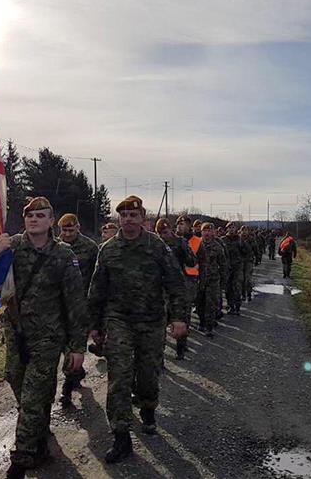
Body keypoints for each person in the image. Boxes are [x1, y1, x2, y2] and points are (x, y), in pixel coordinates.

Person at [0, 197, 87, 479]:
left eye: (40, 215)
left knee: (33, 395)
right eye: (29, 215)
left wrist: (77, 346)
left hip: (48, 338)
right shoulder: (12, 247)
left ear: (51, 221)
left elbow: (75, 302)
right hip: (15, 334)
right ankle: (38, 431)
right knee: (15, 380)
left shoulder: (63, 255)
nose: (33, 219)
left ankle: (21, 460)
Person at [88, 195, 188, 463]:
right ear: (118, 219)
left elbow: (176, 283)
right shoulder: (108, 249)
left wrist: (179, 318)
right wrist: (95, 326)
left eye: (133, 216)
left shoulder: (157, 247)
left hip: (152, 321)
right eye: (123, 216)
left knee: (147, 374)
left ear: (143, 219)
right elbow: (97, 290)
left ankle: (148, 409)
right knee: (119, 377)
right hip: (118, 320)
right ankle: (121, 436)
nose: (128, 220)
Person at [56, 213, 99, 407]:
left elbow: (98, 277)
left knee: (75, 346)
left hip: (82, 306)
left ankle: (66, 389)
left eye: (70, 230)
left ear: (78, 227)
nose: (67, 234)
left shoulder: (90, 248)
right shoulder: (56, 248)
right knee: (65, 346)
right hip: (59, 307)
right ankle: (77, 373)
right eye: (64, 230)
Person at [156, 218, 196, 359]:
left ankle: (181, 348)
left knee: (182, 317)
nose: (162, 236)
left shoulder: (180, 242)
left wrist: (185, 250)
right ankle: (159, 357)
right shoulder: (155, 244)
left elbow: (192, 262)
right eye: (159, 233)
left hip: (179, 285)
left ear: (171, 230)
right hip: (161, 288)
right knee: (160, 322)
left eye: (165, 232)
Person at [198, 222, 227, 337]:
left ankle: (209, 327)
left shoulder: (218, 247)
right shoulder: (197, 244)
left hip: (213, 280)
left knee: (211, 303)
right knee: (200, 302)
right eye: (205, 231)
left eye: (210, 231)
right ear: (201, 232)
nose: (207, 233)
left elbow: (223, 264)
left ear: (213, 232)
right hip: (199, 280)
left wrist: (223, 280)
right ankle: (201, 322)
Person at [223, 222, 244, 315]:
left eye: (233, 227)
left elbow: (246, 251)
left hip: (237, 267)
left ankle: (237, 307)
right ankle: (230, 306)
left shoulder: (240, 239)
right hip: (227, 267)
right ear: (227, 229)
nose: (231, 229)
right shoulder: (223, 240)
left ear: (236, 229)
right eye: (230, 227)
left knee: (237, 287)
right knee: (228, 288)